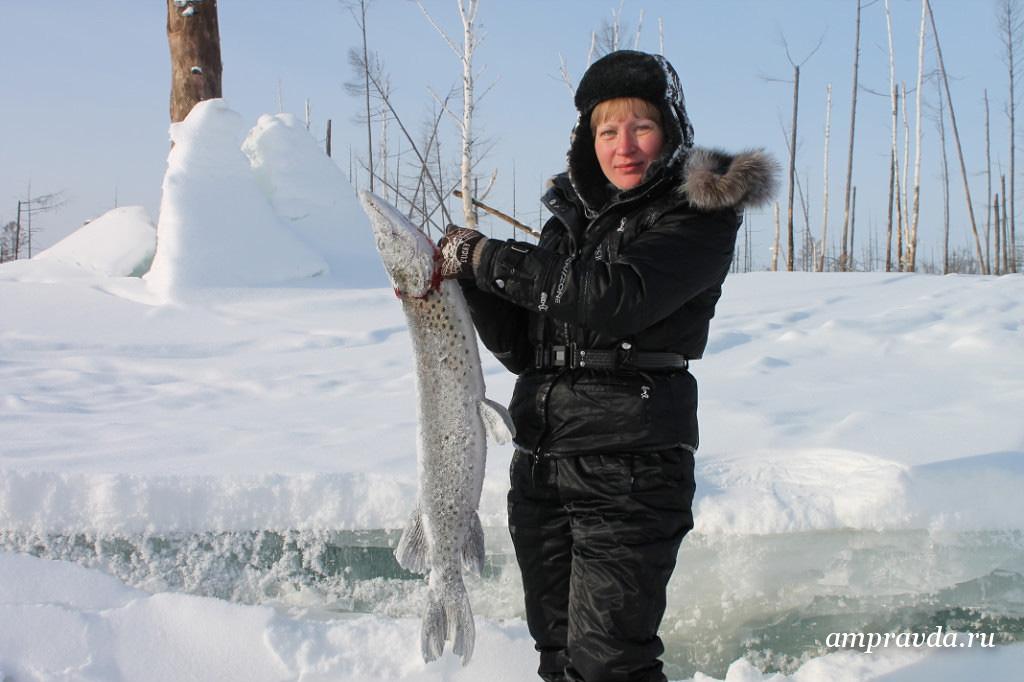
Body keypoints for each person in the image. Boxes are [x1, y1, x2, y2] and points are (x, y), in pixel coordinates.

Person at [438, 50, 777, 682]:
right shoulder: (568, 226)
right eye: (607, 130)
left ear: (670, 132)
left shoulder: (698, 213)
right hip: (542, 464)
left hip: (631, 472)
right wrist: (470, 281)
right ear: (586, 139)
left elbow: (616, 300)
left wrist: (492, 259)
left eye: (641, 126)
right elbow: (522, 349)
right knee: (561, 658)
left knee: (608, 667)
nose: (625, 147)